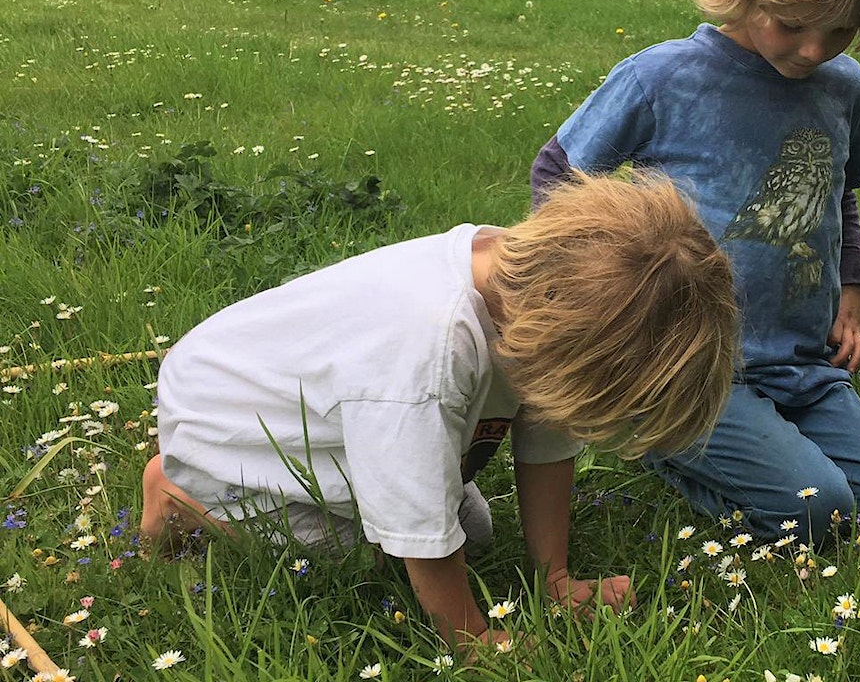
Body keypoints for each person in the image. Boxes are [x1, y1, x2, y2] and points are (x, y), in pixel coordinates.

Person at [139, 170, 739, 654]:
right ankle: (182, 494)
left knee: (469, 533)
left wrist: (553, 580)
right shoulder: (425, 353)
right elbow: (416, 518)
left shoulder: (546, 286)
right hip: (230, 427)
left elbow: (550, 438)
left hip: (334, 407)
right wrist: (471, 637)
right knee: (367, 554)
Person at [532, 0, 860, 545]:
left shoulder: (845, 92)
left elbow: (838, 195)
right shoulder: (660, 80)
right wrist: (594, 313)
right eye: (792, 22)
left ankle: (771, 448)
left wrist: (855, 286)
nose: (813, 51)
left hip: (805, 368)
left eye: (839, 30)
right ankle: (660, 437)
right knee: (816, 510)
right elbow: (557, 174)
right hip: (691, 369)